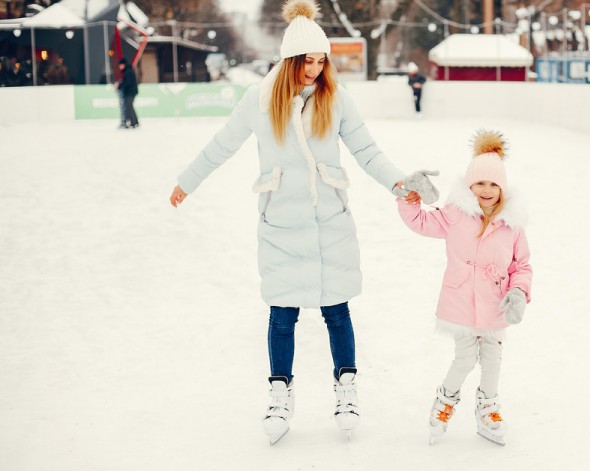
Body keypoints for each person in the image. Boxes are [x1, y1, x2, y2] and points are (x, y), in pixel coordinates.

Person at [167, 0, 437, 446]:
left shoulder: (336, 97)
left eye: (320, 60)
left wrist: (398, 183)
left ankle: (346, 389)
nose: (314, 69)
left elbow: (367, 151)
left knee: (337, 309)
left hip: (330, 219)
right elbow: (221, 146)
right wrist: (186, 182)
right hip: (281, 223)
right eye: (307, 61)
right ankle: (279, 393)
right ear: (289, 59)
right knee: (281, 313)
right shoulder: (258, 100)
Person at [396, 129, 533, 446]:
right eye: (480, 183)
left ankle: (488, 407)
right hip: (459, 302)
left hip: (496, 304)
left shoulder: (512, 223)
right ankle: (445, 400)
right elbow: (420, 221)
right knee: (465, 358)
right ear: (470, 186)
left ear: (503, 188)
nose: (487, 190)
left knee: (493, 358)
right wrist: (410, 196)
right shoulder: (456, 214)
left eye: (494, 184)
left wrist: (518, 292)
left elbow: (521, 265)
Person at [115, 59, 139, 128]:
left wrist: (119, 86)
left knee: (128, 107)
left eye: (120, 65)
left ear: (123, 65)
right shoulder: (128, 70)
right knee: (130, 106)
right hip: (132, 91)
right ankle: (135, 122)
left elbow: (127, 83)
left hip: (130, 92)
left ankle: (133, 123)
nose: (119, 67)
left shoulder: (127, 72)